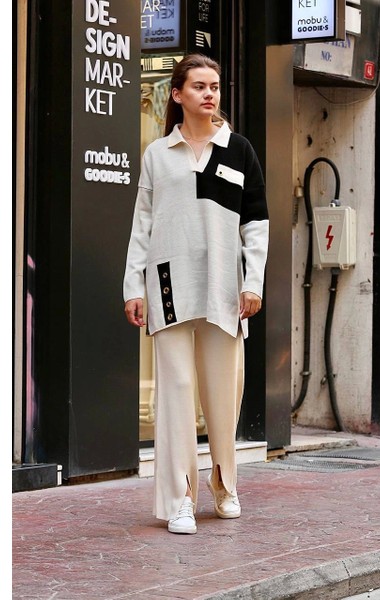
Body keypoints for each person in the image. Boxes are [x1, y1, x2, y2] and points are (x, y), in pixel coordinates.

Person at [123, 54, 269, 534]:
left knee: (224, 394)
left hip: (224, 288)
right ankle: (180, 498)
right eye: (200, 86)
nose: (210, 94)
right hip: (169, 285)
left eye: (215, 86)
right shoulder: (157, 154)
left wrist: (252, 282)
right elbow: (142, 225)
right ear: (178, 94)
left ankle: (224, 484)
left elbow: (256, 224)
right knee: (177, 393)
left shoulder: (238, 149)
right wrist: (133, 286)